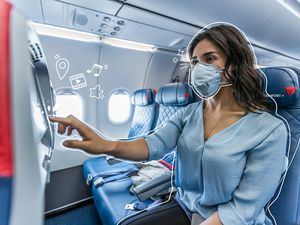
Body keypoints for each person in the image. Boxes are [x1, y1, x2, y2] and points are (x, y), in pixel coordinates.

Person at [50, 23, 287, 225]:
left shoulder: (269, 130)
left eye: (210, 59)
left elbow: (244, 208)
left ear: (235, 64)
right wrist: (105, 144)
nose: (198, 69)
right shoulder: (189, 113)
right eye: (195, 62)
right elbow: (151, 145)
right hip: (186, 206)